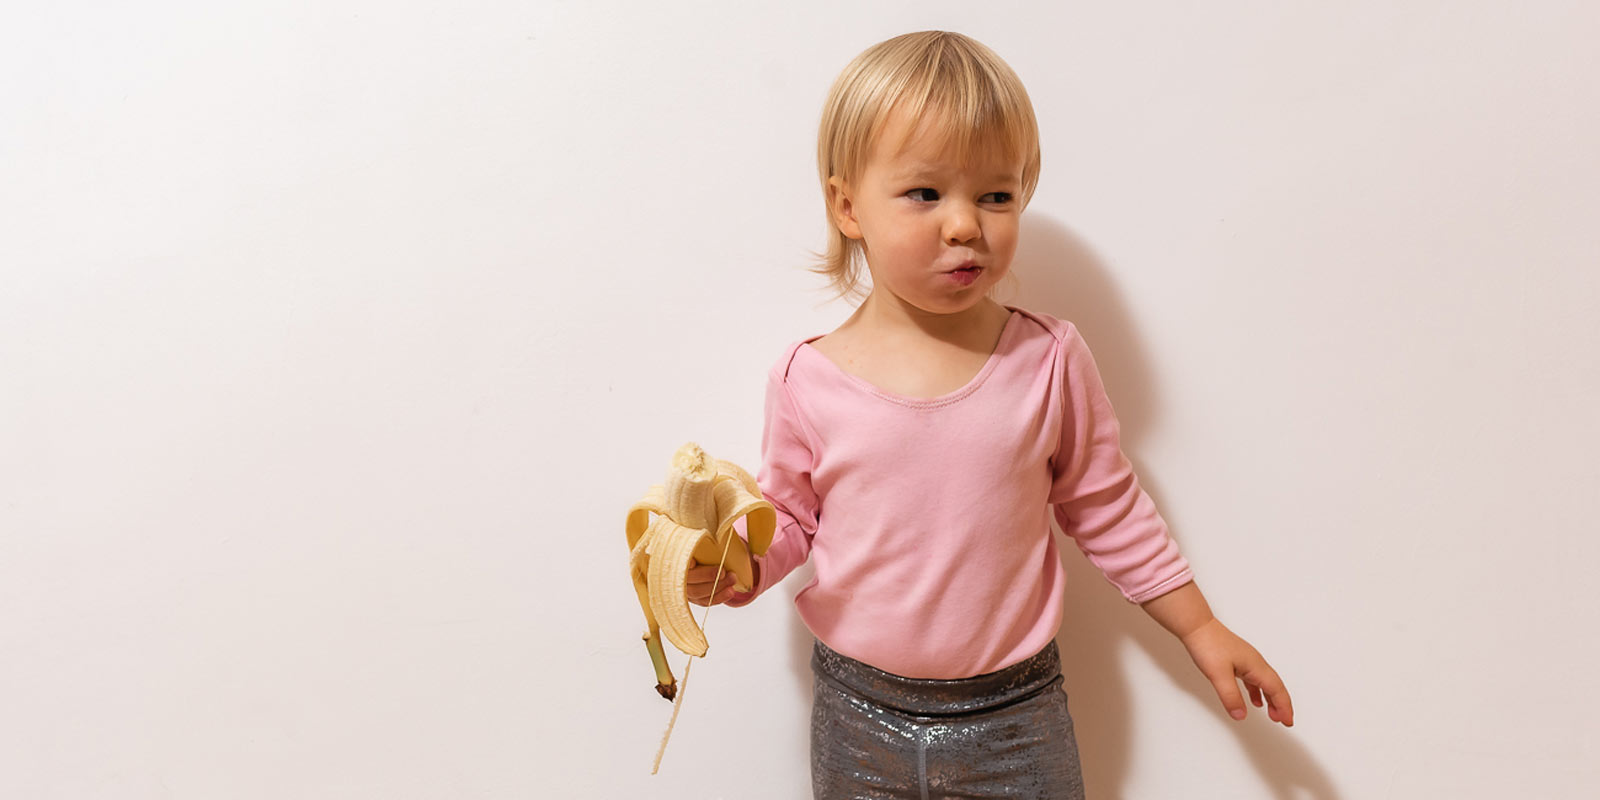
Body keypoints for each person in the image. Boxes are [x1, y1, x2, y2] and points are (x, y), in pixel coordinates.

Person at [686, 30, 1293, 799]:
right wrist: (732, 565)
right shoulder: (809, 379)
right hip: (858, 715)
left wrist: (1201, 627)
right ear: (848, 206)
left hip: (1016, 716)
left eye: (996, 196)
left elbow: (1106, 506)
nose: (966, 224)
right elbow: (789, 518)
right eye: (925, 193)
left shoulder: (1046, 361)